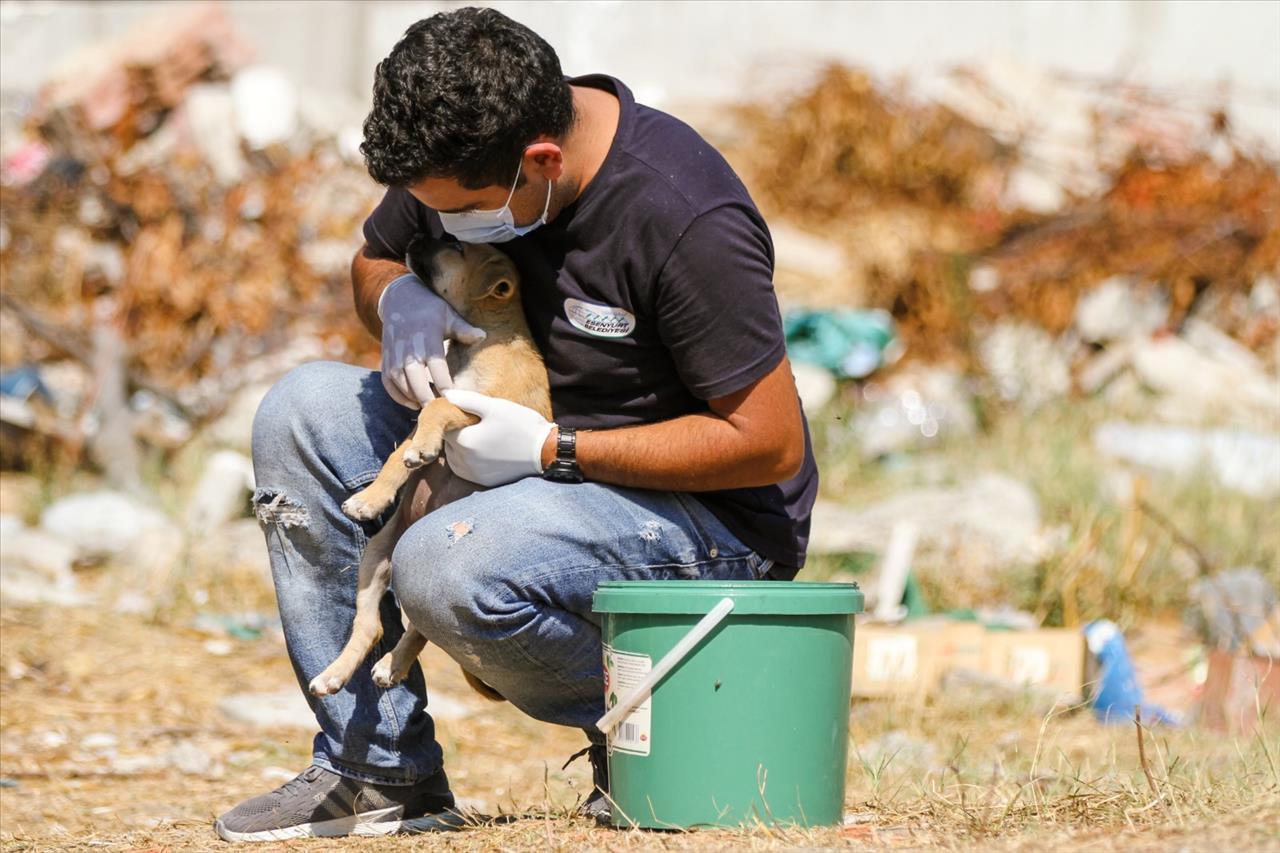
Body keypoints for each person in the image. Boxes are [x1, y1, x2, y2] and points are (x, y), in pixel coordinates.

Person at [214, 6, 817, 842]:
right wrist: (396, 298)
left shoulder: (682, 215)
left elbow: (767, 443)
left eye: (460, 214)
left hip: (701, 514)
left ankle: (670, 726)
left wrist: (553, 449)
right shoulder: (465, 146)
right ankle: (378, 770)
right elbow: (375, 259)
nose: (442, 229)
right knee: (301, 411)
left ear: (541, 161)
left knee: (449, 562)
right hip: (523, 462)